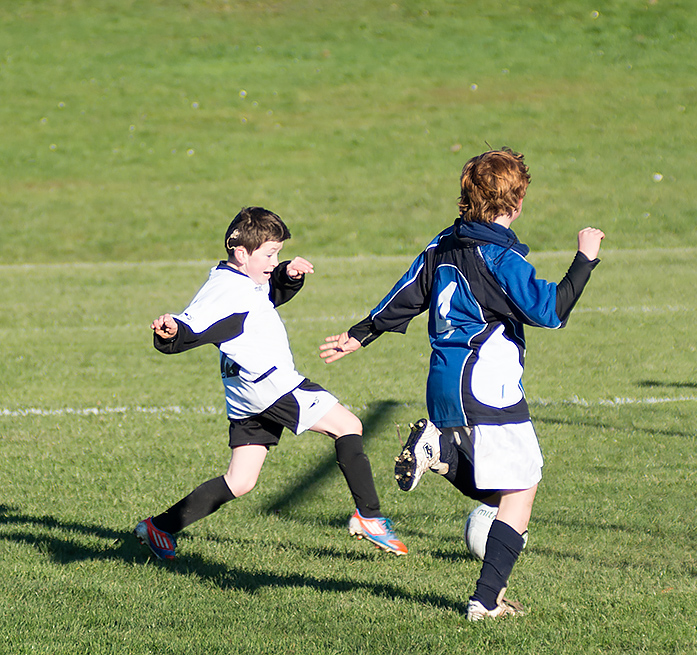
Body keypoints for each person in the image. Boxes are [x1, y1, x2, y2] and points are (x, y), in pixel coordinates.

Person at [319, 148, 604, 620]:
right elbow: (551, 311)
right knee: (522, 487)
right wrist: (585, 259)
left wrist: (361, 333)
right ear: (516, 201)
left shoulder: (443, 243)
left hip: (443, 383)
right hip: (486, 383)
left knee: (500, 489)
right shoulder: (500, 255)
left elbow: (406, 292)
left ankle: (444, 456)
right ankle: (485, 601)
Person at [134, 206, 407, 560]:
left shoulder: (246, 279)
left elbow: (264, 298)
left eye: (277, 253)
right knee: (348, 425)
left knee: (241, 480)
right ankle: (369, 516)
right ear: (241, 252)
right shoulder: (225, 290)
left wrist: (288, 276)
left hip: (245, 394)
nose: (274, 261)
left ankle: (160, 528)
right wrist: (171, 330)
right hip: (270, 386)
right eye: (269, 254)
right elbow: (191, 324)